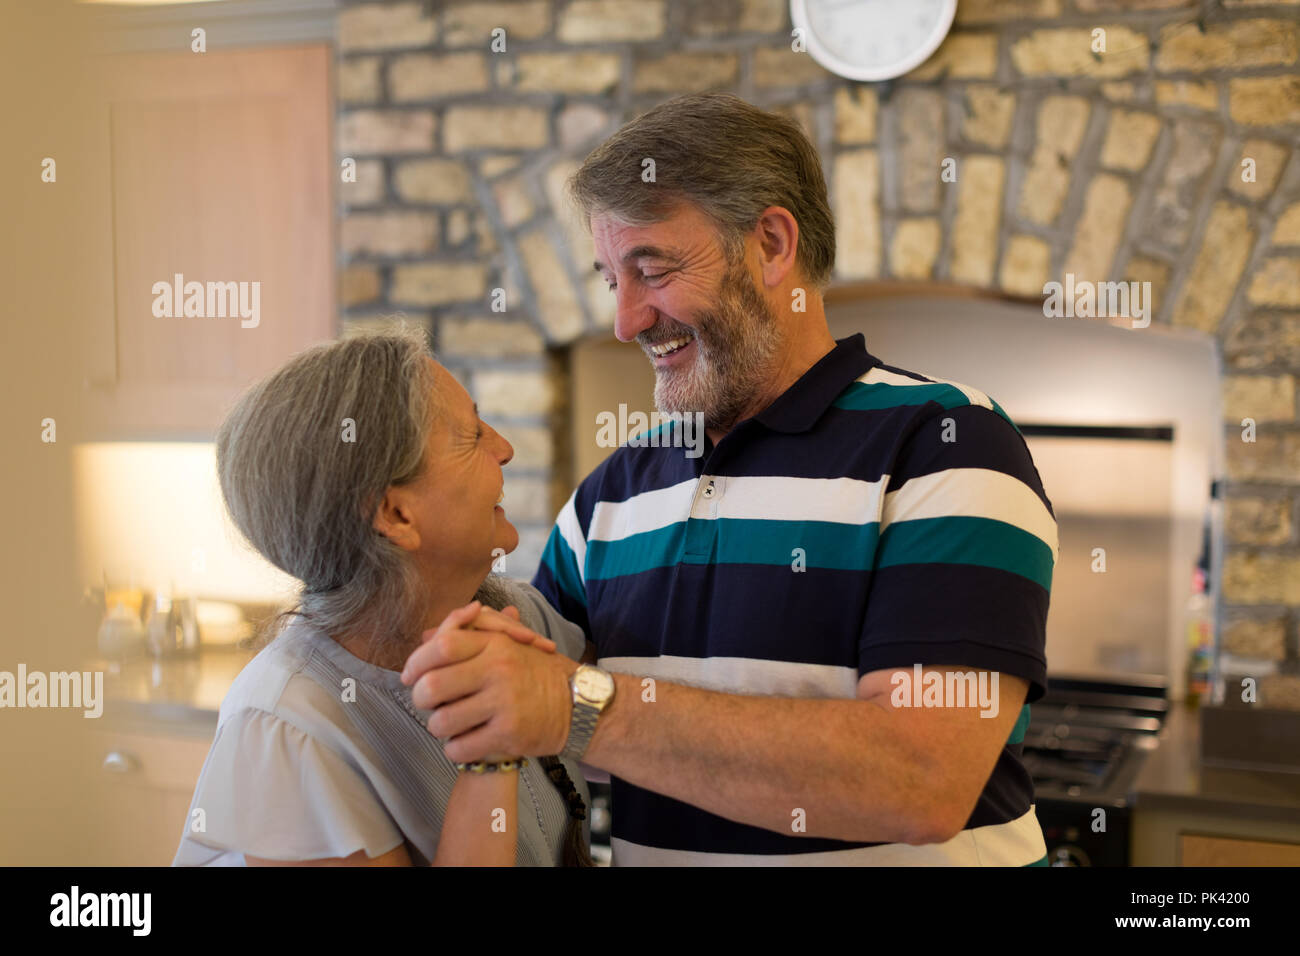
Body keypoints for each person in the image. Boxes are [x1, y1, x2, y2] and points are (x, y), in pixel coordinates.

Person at [402, 92, 1060, 865]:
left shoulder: (948, 442)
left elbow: (920, 779)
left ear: (772, 246)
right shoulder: (607, 499)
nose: (627, 321)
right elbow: (530, 729)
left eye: (651, 270)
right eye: (612, 280)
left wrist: (573, 705)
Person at [173, 329, 594, 866]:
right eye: (470, 436)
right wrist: (490, 756)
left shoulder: (518, 615)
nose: (504, 448)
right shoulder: (286, 728)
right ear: (396, 515)